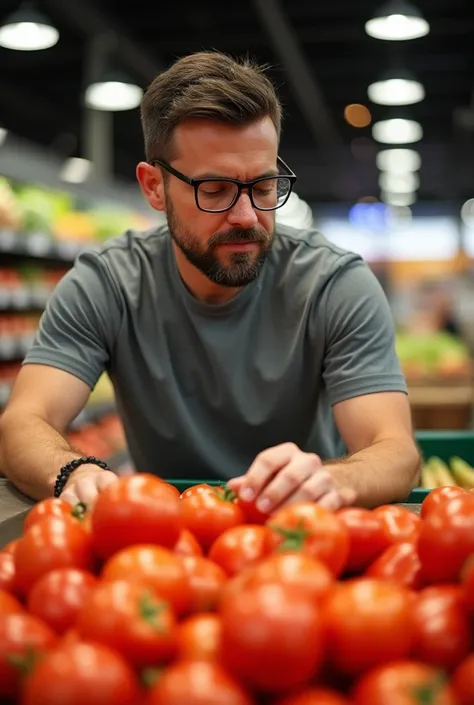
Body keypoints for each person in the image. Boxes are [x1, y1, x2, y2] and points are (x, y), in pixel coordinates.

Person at [0, 51, 420, 512]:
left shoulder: (333, 284)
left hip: (301, 533)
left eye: (263, 187)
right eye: (214, 190)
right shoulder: (106, 284)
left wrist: (334, 480)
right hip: (157, 537)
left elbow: (396, 452)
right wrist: (71, 472)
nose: (246, 217)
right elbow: (23, 422)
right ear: (154, 187)